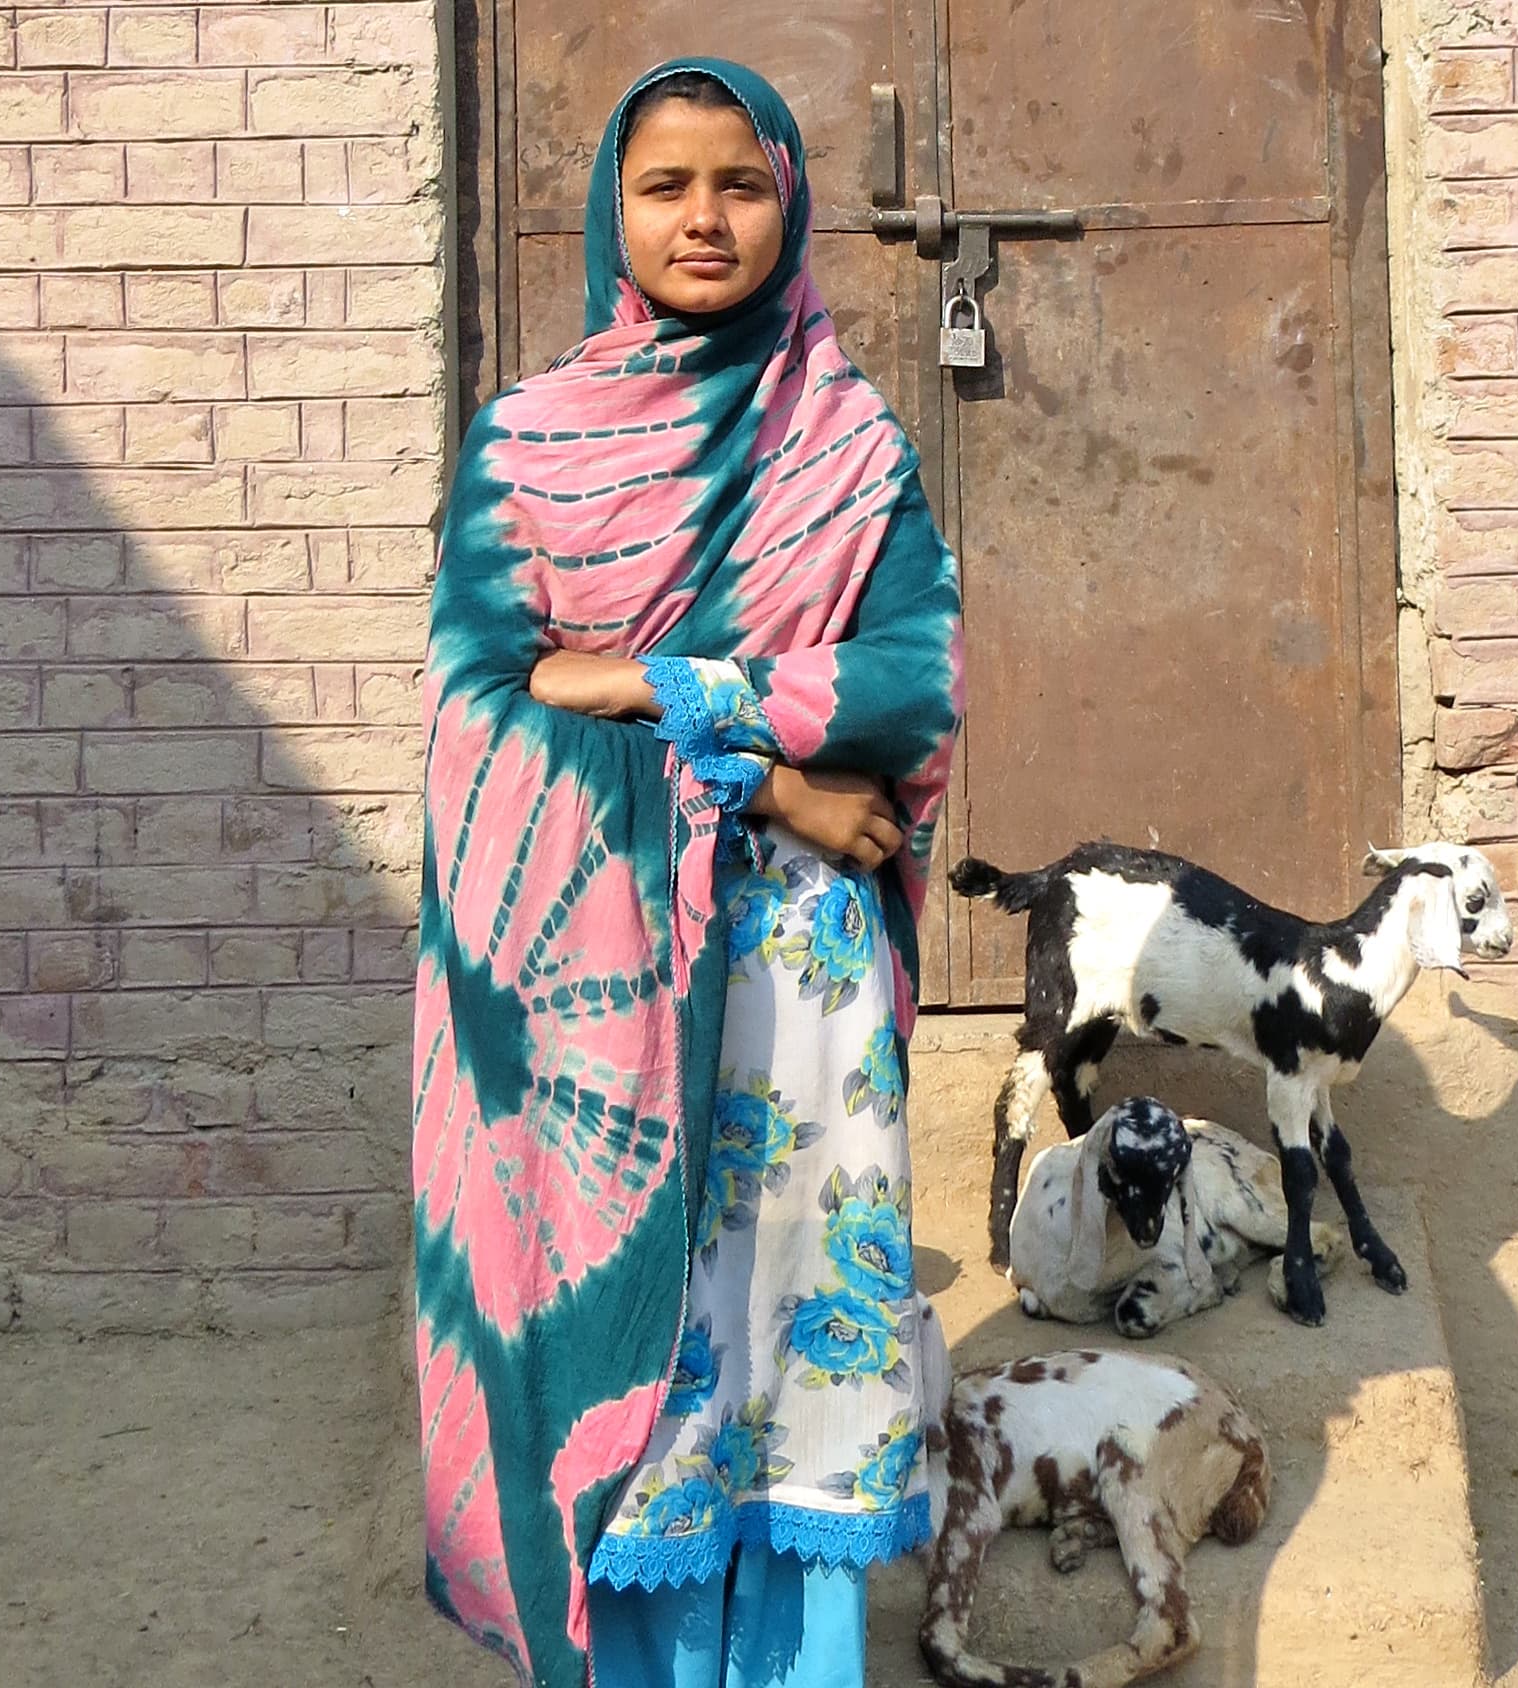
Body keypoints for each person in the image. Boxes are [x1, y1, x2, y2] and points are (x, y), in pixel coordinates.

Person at [413, 57, 966, 1688]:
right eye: (667, 186)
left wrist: (657, 680)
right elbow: (484, 713)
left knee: (791, 1319)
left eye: (741, 183)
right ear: (615, 210)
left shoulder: (844, 436)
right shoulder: (526, 446)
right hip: (604, 990)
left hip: (798, 996)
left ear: (787, 202)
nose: (705, 218)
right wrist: (778, 778)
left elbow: (911, 676)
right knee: (646, 1352)